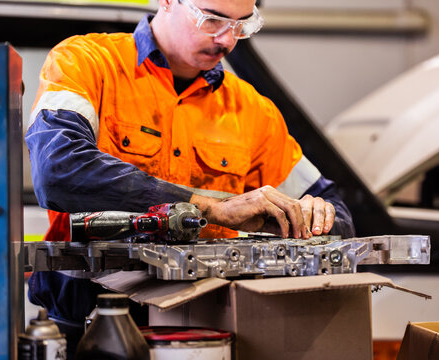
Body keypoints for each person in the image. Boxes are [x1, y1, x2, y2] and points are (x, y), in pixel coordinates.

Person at [25, 0, 355, 355]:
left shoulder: (253, 111)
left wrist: (308, 217)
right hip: (88, 328)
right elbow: (58, 170)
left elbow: (340, 218)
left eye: (243, 25)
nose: (227, 41)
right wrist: (209, 209)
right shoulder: (86, 62)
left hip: (206, 332)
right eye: (212, 20)